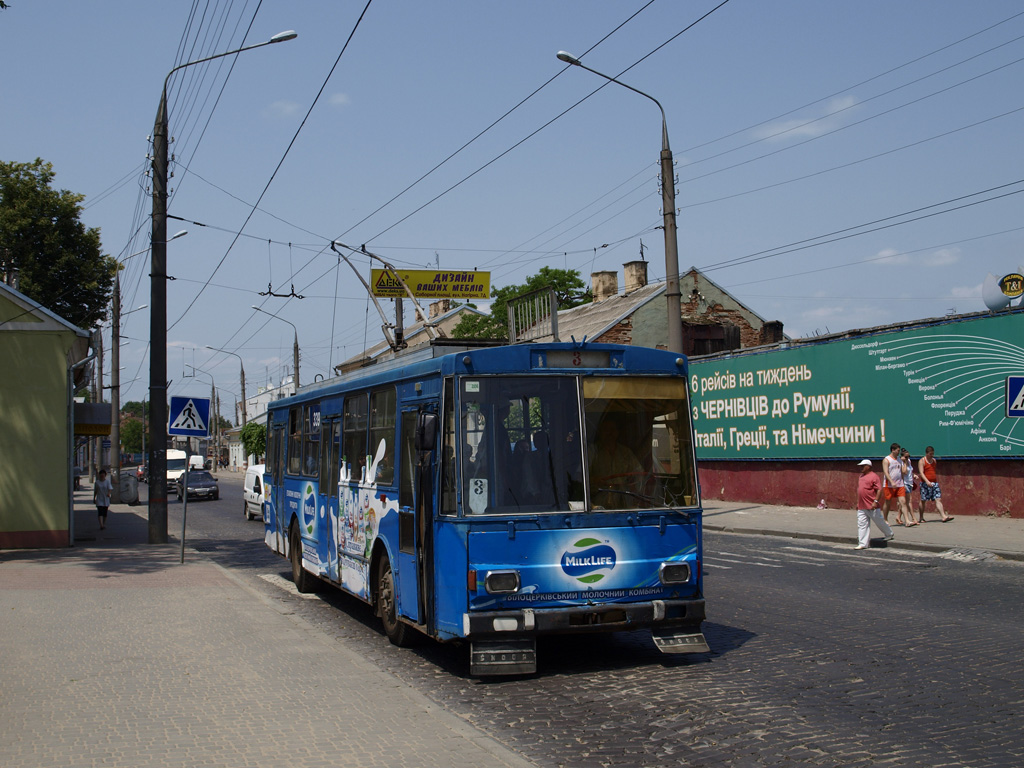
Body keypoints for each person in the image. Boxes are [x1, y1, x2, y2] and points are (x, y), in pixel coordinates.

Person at [589, 419, 644, 508]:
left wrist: (633, 485)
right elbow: (579, 477)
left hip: (624, 500)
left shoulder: (625, 452)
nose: (610, 433)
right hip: (598, 503)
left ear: (617, 432)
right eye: (606, 430)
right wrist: (594, 480)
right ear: (600, 432)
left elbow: (639, 474)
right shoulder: (592, 451)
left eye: (612, 430)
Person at [854, 459, 894, 549]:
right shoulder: (861, 477)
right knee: (862, 524)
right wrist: (858, 502)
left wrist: (875, 501)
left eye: (863, 466)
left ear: (868, 466)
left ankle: (889, 533)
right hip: (861, 506)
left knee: (879, 521)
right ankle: (863, 543)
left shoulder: (874, 476)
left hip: (872, 505)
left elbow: (879, 489)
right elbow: (860, 491)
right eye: (860, 466)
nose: (861, 468)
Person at [881, 442, 915, 527]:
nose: (898, 452)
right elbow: (885, 472)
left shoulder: (900, 460)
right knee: (888, 502)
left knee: (903, 502)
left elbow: (902, 472)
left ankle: (907, 521)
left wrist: (903, 481)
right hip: (888, 485)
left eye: (899, 450)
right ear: (893, 450)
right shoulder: (887, 460)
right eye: (897, 450)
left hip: (900, 484)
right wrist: (891, 482)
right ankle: (885, 519)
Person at [918, 445, 953, 522]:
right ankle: (921, 517)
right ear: (927, 453)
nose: (932, 455)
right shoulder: (922, 461)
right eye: (930, 454)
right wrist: (927, 481)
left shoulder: (934, 461)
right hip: (924, 484)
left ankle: (943, 516)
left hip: (934, 483)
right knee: (923, 500)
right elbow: (921, 473)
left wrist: (933, 481)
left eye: (933, 454)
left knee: (938, 499)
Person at [900, 449, 918, 523]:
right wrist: (904, 462)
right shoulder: (900, 463)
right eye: (906, 457)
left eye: (908, 456)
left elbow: (910, 472)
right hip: (905, 483)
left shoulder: (909, 461)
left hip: (910, 483)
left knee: (904, 502)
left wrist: (914, 475)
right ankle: (914, 518)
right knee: (909, 502)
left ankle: (898, 517)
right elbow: (904, 472)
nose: (908, 458)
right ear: (902, 457)